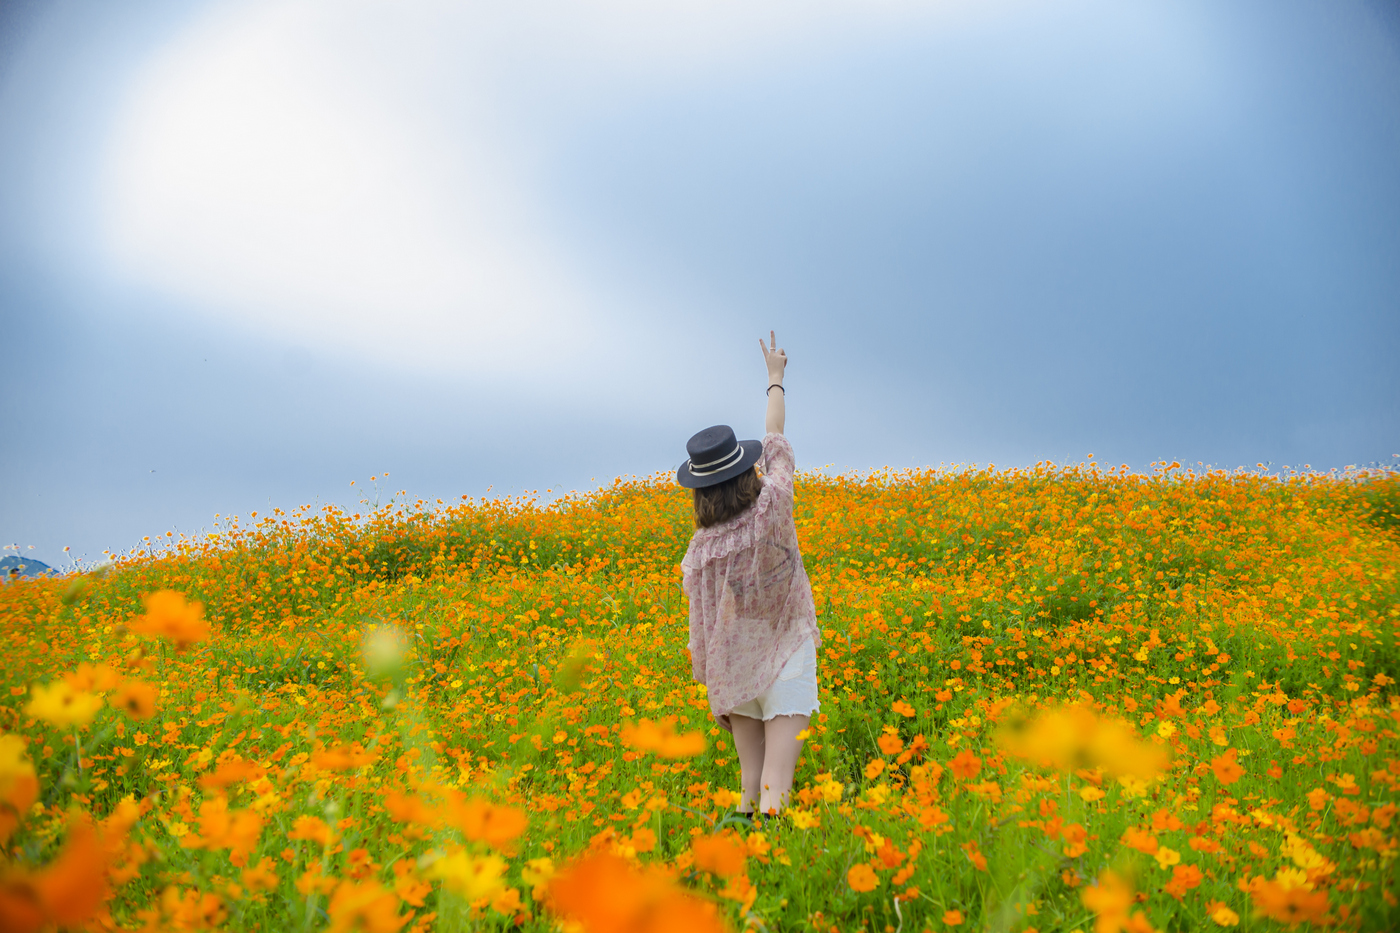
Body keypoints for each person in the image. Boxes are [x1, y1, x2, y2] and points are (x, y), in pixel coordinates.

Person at [678, 331, 820, 817]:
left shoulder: (700, 551)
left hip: (735, 660)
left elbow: (701, 626)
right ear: (746, 470)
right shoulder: (773, 506)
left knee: (750, 786)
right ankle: (773, 870)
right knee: (777, 785)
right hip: (788, 648)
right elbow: (776, 442)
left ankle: (740, 868)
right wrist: (775, 378)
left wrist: (713, 675)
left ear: (699, 490)